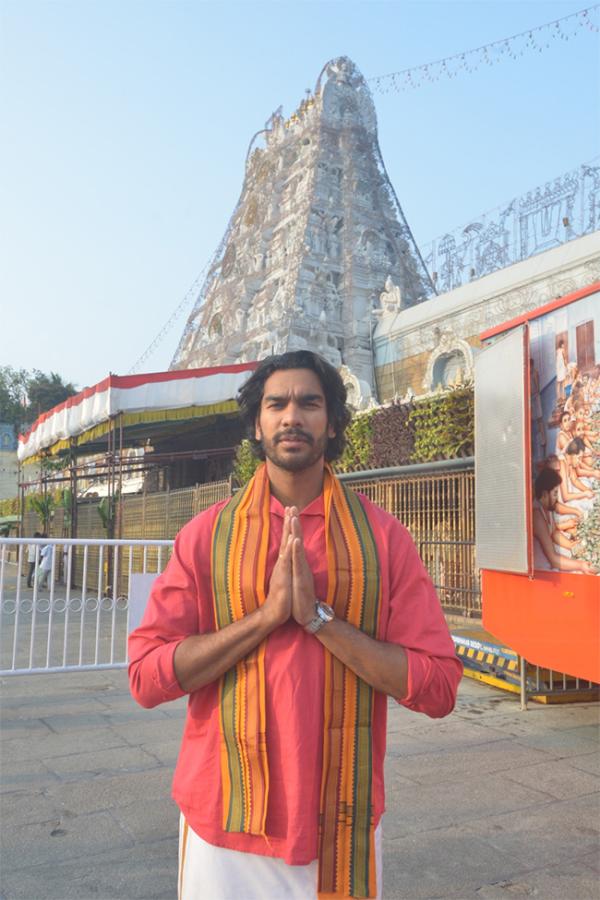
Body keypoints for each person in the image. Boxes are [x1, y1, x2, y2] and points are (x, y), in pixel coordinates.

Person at [128, 350, 463, 900]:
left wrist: (317, 619)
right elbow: (146, 678)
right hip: (223, 824)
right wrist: (265, 618)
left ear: (332, 423)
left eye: (309, 403)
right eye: (276, 404)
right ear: (256, 426)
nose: (291, 417)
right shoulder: (205, 537)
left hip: (340, 824)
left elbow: (439, 687)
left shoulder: (383, 539)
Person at [532, 469, 597, 575]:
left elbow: (554, 532)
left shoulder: (547, 507)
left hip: (552, 556)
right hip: (542, 567)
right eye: (555, 493)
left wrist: (570, 545)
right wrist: (580, 565)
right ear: (545, 494)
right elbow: (553, 560)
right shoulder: (537, 516)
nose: (557, 497)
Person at [555, 338, 567, 403]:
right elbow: (564, 359)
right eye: (563, 344)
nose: (564, 345)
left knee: (558, 383)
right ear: (561, 344)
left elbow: (557, 359)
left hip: (558, 368)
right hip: (561, 367)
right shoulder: (562, 350)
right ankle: (563, 396)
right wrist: (566, 366)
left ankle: (558, 397)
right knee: (563, 383)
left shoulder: (557, 350)